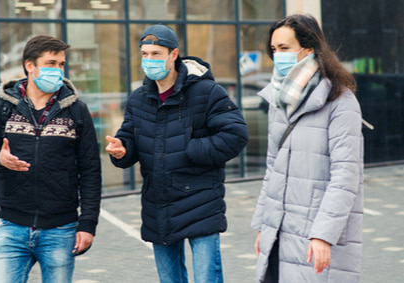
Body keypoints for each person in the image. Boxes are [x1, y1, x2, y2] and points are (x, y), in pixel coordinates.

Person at [105, 24, 248, 283]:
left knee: (207, 278)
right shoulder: (139, 99)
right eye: (145, 54)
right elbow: (129, 136)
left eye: (156, 54)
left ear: (173, 55)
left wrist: (190, 149)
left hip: (201, 203)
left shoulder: (207, 92)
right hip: (158, 205)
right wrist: (121, 150)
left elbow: (235, 135)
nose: (149, 60)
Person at [0, 35, 102, 283]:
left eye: (61, 64)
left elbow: (90, 171)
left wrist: (87, 225)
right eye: (51, 63)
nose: (58, 70)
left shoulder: (77, 110)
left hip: (60, 230)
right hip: (12, 228)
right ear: (29, 66)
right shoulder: (3, 107)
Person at [250, 14, 364, 282]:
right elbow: (272, 169)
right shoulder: (278, 101)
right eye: (274, 50)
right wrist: (263, 225)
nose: (278, 55)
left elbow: (345, 177)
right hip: (279, 229)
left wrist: (323, 234)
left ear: (309, 49)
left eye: (285, 48)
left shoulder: (340, 101)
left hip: (316, 232)